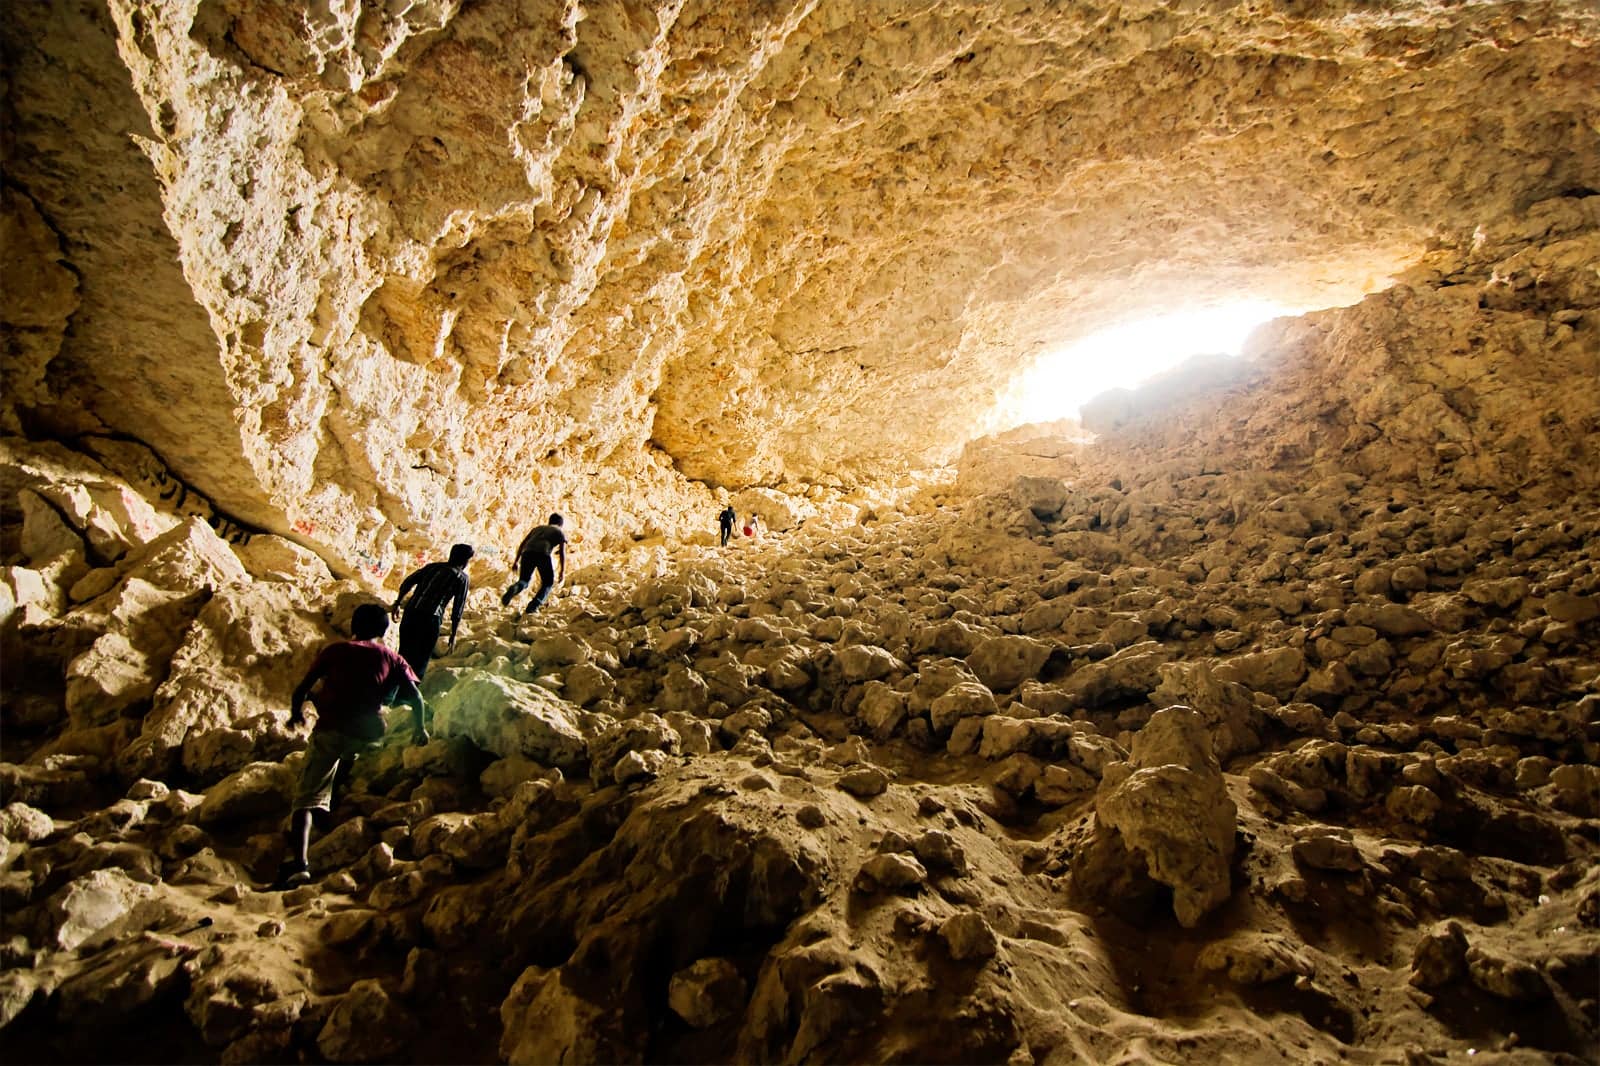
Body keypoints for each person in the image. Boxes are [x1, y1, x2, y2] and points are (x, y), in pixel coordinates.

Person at [282, 603, 427, 887]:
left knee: (305, 797)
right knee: (347, 753)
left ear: (353, 626)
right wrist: (419, 729)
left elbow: (302, 687)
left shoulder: (336, 651)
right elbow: (416, 698)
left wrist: (296, 713)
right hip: (369, 732)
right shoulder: (393, 657)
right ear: (384, 631)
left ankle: (300, 864)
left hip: (333, 727)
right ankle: (331, 803)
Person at [390, 543, 472, 680]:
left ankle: (390, 690)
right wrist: (453, 633)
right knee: (420, 659)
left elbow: (408, 582)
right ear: (465, 560)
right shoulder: (462, 578)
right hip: (430, 619)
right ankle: (407, 694)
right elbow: (458, 607)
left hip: (411, 613)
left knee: (403, 653)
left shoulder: (432, 567)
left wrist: (398, 603)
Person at [502, 513, 567, 614]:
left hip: (527, 553)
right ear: (560, 524)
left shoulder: (537, 529)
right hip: (543, 554)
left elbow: (523, 543)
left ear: (549, 521)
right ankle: (533, 606)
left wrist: (516, 561)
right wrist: (562, 571)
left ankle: (514, 588)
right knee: (547, 583)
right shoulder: (559, 531)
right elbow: (562, 552)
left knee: (524, 580)